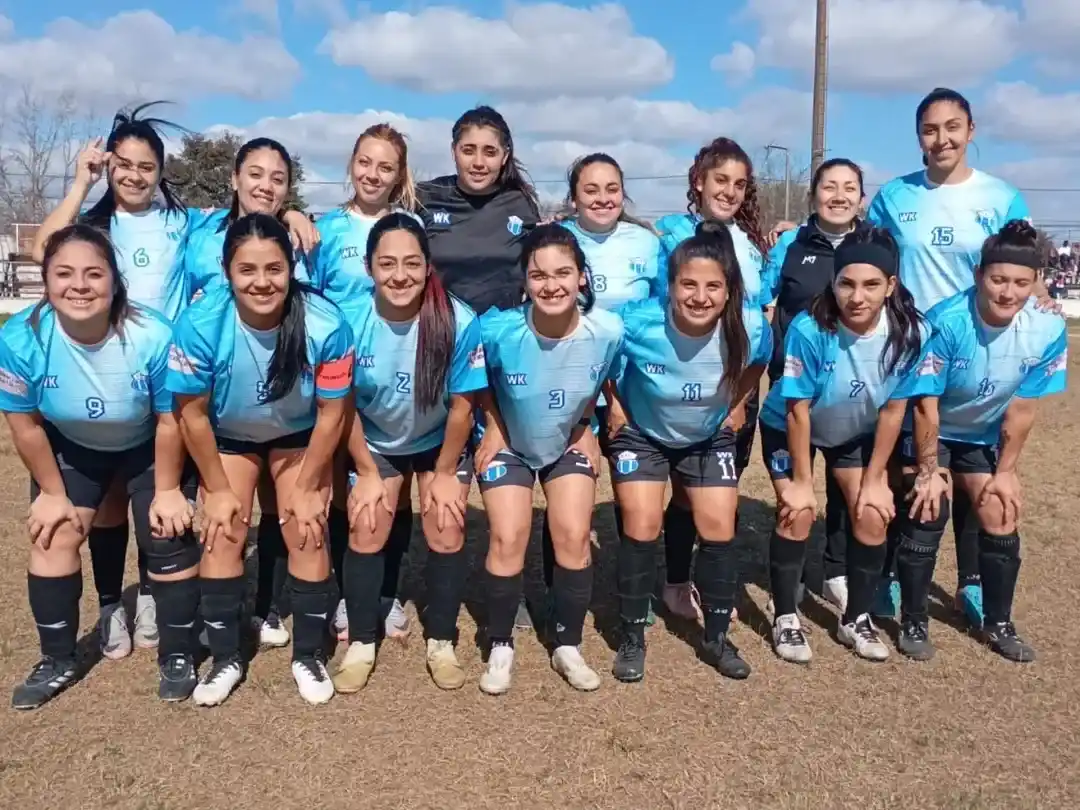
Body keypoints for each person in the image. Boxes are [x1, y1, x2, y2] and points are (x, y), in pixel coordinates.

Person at [1, 225, 201, 709]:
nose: (79, 285)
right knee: (55, 533)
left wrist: (170, 488)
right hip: (74, 447)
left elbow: (170, 420)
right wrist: (51, 493)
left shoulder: (152, 333)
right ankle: (58, 658)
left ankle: (178, 654)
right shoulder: (19, 336)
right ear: (45, 280)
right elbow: (25, 425)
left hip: (149, 444)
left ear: (115, 281)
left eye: (94, 273)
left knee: (167, 533)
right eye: (64, 273)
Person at [865, 87, 1041, 626]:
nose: (941, 138)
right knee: (910, 467)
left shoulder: (1002, 196)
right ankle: (891, 576)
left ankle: (971, 584)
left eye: (952, 127)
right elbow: (875, 259)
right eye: (929, 129)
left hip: (978, 351)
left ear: (970, 130)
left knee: (973, 463)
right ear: (918, 136)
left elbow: (1020, 263)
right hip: (907, 349)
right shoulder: (894, 196)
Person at [167, 213, 353, 707]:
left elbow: (334, 413)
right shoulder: (201, 321)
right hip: (228, 436)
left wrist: (312, 485)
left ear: (291, 268)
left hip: (298, 435)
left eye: (274, 269)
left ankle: (308, 654)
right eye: (247, 270)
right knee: (224, 529)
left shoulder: (326, 321)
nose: (262, 282)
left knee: (307, 527)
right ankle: (226, 656)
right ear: (227, 271)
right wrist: (218, 489)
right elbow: (191, 414)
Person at [759, 226, 933, 663]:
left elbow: (894, 411)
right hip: (790, 426)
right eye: (846, 283)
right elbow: (798, 411)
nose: (858, 296)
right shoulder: (809, 328)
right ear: (832, 283)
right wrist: (802, 481)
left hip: (851, 432)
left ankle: (855, 618)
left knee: (873, 513)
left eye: (872, 284)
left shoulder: (911, 333)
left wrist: (875, 480)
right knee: (798, 511)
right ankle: (785, 615)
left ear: (891, 285)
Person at [607, 221, 770, 683]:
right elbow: (602, 357)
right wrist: (616, 405)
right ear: (671, 286)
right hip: (643, 433)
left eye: (713, 286)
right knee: (642, 521)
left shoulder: (751, 324)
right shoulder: (636, 323)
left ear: (729, 290)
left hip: (707, 435)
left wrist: (736, 404)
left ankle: (717, 636)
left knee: (719, 524)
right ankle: (632, 635)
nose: (700, 297)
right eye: (688, 284)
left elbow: (759, 361)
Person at [897, 220, 1067, 662]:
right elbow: (924, 404)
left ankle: (998, 621)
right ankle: (914, 618)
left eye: (1021, 282)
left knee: (1000, 509)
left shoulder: (1047, 330)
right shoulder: (947, 322)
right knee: (929, 507)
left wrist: (1006, 472)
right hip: (932, 427)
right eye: (998, 280)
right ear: (978, 275)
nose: (1008, 292)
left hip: (981, 436)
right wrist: (930, 471)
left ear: (1036, 283)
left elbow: (1022, 409)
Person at [334, 213, 486, 693]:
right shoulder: (347, 320)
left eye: (412, 263)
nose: (400, 275)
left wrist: (445, 473)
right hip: (374, 440)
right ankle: (361, 641)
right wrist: (366, 470)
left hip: (439, 440)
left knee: (445, 523)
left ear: (428, 267)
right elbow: (341, 407)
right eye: (387, 263)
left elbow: (463, 408)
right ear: (369, 267)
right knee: (367, 522)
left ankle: (440, 639)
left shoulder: (459, 320)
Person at [473, 223, 622, 695]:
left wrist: (589, 423)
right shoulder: (497, 329)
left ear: (582, 277)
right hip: (510, 443)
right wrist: (495, 426)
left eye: (563, 273)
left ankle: (568, 645)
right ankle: (500, 645)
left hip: (566, 443)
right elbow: (477, 384)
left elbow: (610, 378)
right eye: (538, 275)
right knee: (508, 534)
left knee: (574, 535)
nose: (551, 284)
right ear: (525, 281)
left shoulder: (608, 330)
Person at [184, 136, 315, 649]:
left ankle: (267, 608)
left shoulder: (301, 239)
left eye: (278, 178)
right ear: (235, 177)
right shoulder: (197, 231)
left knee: (276, 510)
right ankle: (210, 612)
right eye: (256, 173)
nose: (266, 184)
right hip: (214, 389)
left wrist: (299, 219)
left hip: (284, 395)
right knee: (219, 508)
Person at [416, 105, 542, 630]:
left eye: (490, 151)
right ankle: (406, 593)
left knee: (500, 476)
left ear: (505, 156)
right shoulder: (424, 198)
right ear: (453, 152)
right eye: (469, 149)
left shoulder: (521, 206)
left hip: (498, 369)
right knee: (429, 482)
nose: (479, 160)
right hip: (436, 361)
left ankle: (504, 592)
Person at [648, 137, 771, 623]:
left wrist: (741, 396)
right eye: (721, 180)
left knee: (722, 486)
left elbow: (763, 311)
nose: (730, 192)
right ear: (698, 181)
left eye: (740, 184)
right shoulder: (670, 235)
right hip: (684, 379)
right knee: (682, 486)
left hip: (738, 385)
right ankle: (675, 581)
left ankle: (712, 580)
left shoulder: (751, 245)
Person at [309, 123, 422, 646]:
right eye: (365, 162)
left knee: (392, 496)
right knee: (335, 490)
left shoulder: (410, 225)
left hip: (390, 379)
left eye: (386, 166)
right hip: (337, 377)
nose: (373, 174)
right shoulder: (325, 229)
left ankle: (388, 596)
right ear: (350, 164)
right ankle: (337, 592)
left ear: (399, 175)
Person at [760, 158, 868, 615]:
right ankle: (794, 578)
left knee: (848, 494)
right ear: (814, 195)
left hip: (853, 394)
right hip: (793, 393)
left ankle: (836, 571)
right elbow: (764, 300)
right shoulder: (789, 242)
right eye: (829, 186)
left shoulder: (876, 243)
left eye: (849, 188)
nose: (838, 195)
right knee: (795, 493)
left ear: (862, 199)